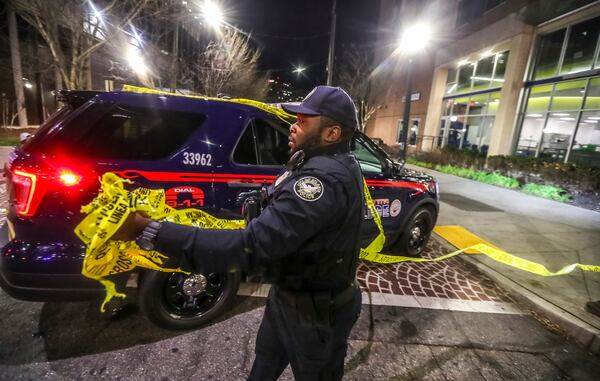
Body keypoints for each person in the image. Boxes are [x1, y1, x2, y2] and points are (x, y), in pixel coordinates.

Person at [114, 85, 365, 380]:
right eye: (295, 120)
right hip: (288, 296)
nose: (293, 128)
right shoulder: (314, 163)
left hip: (317, 313)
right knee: (265, 362)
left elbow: (250, 246)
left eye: (302, 122)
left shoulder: (322, 182)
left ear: (331, 133)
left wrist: (152, 231)